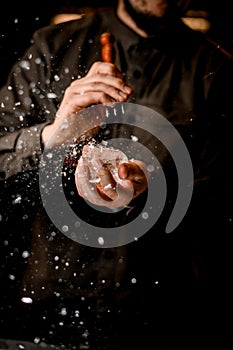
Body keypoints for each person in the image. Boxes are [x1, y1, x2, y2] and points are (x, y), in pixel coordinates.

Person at [0, 0, 232, 349]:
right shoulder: (52, 46)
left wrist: (155, 188)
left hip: (153, 321)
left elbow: (220, 203)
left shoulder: (214, 69)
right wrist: (52, 137)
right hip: (43, 316)